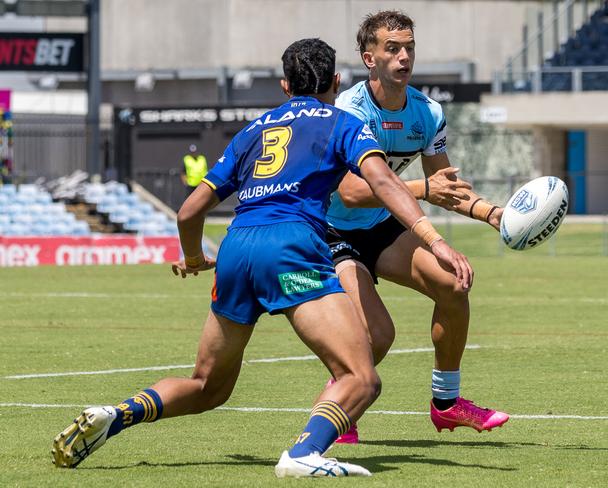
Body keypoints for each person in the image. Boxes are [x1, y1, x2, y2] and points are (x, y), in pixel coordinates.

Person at [51, 38, 471, 478]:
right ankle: (305, 453)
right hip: (290, 247)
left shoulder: (254, 130)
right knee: (359, 377)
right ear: (336, 80)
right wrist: (433, 239)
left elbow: (189, 211)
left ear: (285, 85)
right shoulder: (341, 121)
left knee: (207, 386)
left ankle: (117, 415)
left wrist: (194, 256)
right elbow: (383, 184)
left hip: (236, 248)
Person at [325, 10, 509, 444]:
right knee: (377, 336)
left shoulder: (428, 113)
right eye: (392, 48)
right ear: (370, 58)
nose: (404, 56)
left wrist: (493, 214)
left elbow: (446, 185)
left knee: (453, 283)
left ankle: (446, 404)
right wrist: (422, 188)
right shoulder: (349, 110)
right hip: (333, 232)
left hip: (382, 227)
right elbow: (351, 192)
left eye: (409, 47)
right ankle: (337, 412)